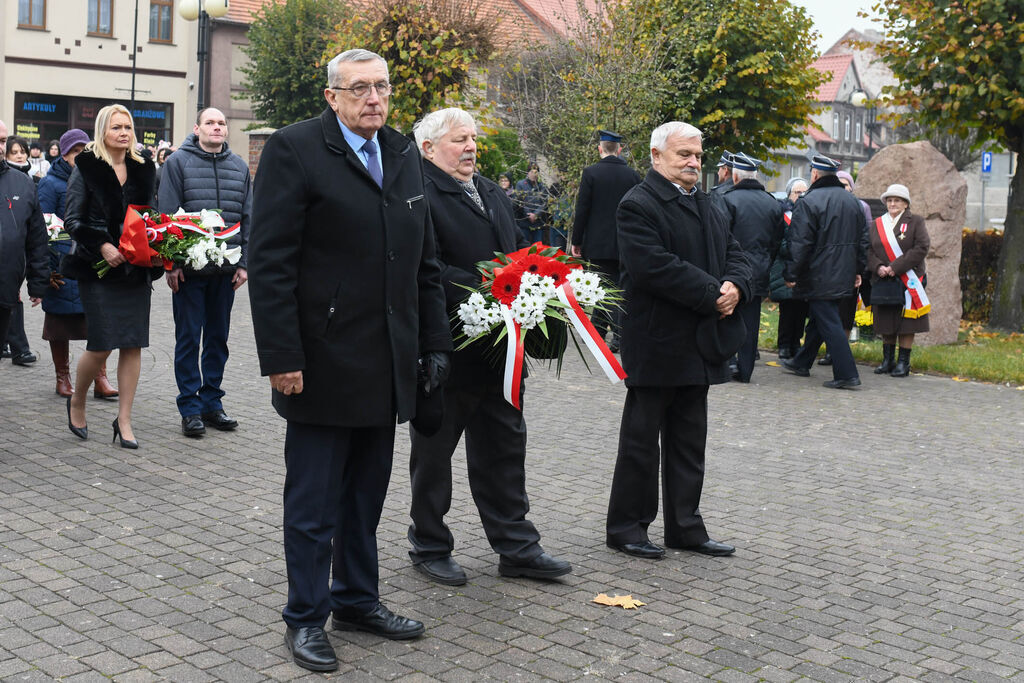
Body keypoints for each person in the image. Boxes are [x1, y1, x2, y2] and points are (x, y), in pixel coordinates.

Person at [248, 49, 452, 672]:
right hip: (320, 361)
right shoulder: (295, 149)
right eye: (359, 88)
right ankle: (305, 617)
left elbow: (424, 260)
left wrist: (435, 343)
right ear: (332, 96)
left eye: (382, 87)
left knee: (365, 497)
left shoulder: (402, 153)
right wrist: (282, 356)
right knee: (313, 506)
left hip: (386, 362)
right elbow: (272, 261)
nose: (373, 98)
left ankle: (358, 599)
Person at [407, 107, 572, 587]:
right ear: (429, 148)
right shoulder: (417, 194)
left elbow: (519, 250)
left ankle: (517, 547)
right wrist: (489, 287)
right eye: (460, 140)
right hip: (449, 348)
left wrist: (541, 279)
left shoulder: (493, 192)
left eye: (474, 139)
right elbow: (426, 268)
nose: (472, 147)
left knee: (504, 449)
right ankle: (429, 544)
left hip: (502, 350)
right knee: (435, 456)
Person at [606, 121, 751, 560]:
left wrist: (736, 286)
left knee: (690, 440)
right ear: (655, 157)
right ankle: (627, 527)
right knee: (641, 442)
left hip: (700, 342)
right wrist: (714, 294)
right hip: (656, 340)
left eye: (698, 156)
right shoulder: (638, 204)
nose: (693, 163)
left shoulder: (708, 202)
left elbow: (736, 253)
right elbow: (654, 267)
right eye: (683, 154)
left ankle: (685, 527)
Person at [62, 104, 158, 448]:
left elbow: (152, 217)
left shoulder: (146, 167)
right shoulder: (86, 166)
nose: (123, 133)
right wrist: (102, 245)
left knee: (133, 343)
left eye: (128, 127)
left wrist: (157, 245)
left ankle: (124, 420)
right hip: (98, 270)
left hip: (135, 270)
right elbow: (72, 220)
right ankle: (78, 399)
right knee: (101, 343)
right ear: (103, 131)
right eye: (116, 127)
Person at [158, 107, 251, 437]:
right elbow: (166, 217)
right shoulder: (177, 164)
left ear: (226, 131)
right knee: (188, 340)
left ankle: (212, 403)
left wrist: (244, 264)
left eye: (222, 123)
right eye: (210, 122)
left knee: (217, 339)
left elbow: (247, 216)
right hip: (189, 272)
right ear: (197, 128)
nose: (217, 127)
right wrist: (171, 264)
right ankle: (190, 407)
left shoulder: (240, 167)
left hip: (225, 272)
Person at [36, 128, 119, 399]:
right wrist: (46, 268)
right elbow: (43, 226)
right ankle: (63, 377)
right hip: (61, 264)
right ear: (65, 154)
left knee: (98, 323)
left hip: (92, 261)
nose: (81, 156)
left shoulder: (97, 178)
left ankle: (100, 378)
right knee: (59, 324)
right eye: (75, 151)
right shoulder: (50, 183)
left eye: (86, 150)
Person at [780, 154, 868, 389]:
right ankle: (802, 362)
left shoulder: (809, 201)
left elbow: (799, 243)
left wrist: (791, 273)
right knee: (822, 318)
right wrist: (859, 269)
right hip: (844, 272)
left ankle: (847, 374)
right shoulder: (853, 202)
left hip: (819, 273)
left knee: (828, 321)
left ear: (815, 174)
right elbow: (863, 240)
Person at [570, 130, 642, 353]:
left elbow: (583, 209)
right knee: (611, 287)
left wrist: (577, 240)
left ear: (599, 149)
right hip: (624, 242)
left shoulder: (591, 173)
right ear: (619, 150)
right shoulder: (633, 175)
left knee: (604, 288)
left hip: (598, 243)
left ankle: (619, 337)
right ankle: (597, 332)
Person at [720, 152, 785, 383]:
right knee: (751, 321)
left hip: (731, 269)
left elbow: (721, 237)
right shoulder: (772, 202)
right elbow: (778, 239)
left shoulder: (728, 199)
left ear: (735, 177)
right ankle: (745, 370)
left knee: (727, 315)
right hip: (760, 268)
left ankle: (728, 365)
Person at [868, 184, 931, 377]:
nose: (892, 203)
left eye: (897, 200)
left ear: (905, 203)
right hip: (883, 279)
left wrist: (895, 267)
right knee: (886, 317)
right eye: (889, 200)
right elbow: (867, 249)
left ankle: (904, 362)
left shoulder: (916, 222)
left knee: (906, 321)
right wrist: (878, 267)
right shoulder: (877, 223)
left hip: (908, 278)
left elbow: (922, 247)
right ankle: (887, 360)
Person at [0, 120, 48, 350]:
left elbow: (37, 238)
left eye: (1, 141)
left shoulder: (23, 184)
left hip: (5, 288)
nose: (0, 147)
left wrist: (38, 282)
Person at [817, 169, 872, 366]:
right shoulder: (827, 203)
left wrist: (859, 267)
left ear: (852, 187)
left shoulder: (861, 206)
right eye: (840, 183)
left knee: (846, 311)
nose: (843, 187)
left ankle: (841, 352)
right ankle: (831, 351)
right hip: (829, 268)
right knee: (829, 312)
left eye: (846, 184)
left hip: (849, 267)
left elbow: (865, 236)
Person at [769, 177, 809, 359]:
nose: (801, 196)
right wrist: (798, 249)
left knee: (801, 310)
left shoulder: (809, 213)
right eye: (797, 193)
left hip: (803, 271)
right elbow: (778, 241)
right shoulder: (781, 214)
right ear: (789, 194)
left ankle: (795, 343)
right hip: (784, 268)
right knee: (788, 310)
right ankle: (784, 345)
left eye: (804, 193)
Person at [514, 162, 549, 243]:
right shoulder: (520, 184)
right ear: (527, 173)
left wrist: (536, 214)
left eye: (536, 172)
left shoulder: (542, 187)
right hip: (524, 223)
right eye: (531, 172)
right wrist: (528, 214)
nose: (534, 174)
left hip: (538, 224)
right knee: (524, 249)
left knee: (538, 248)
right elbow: (519, 201)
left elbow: (544, 203)